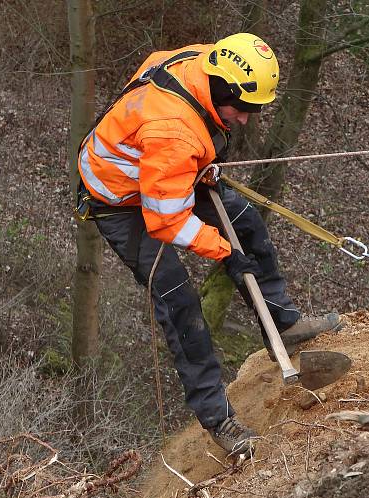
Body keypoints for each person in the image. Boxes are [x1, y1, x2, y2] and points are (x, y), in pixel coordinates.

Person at [75, 33, 340, 456]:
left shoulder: (202, 61)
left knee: (246, 223)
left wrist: (198, 165)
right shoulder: (173, 133)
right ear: (222, 90)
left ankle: (283, 325)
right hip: (122, 202)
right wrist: (225, 253)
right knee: (179, 301)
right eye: (242, 109)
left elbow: (164, 101)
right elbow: (165, 222)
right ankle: (220, 421)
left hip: (166, 171)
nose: (245, 120)